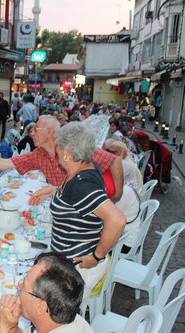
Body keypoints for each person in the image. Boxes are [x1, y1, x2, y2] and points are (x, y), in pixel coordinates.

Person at [49, 122, 126, 307]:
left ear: (67, 151)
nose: (56, 152)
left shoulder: (81, 185)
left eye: (58, 147)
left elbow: (117, 220)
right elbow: (77, 200)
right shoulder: (87, 168)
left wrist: (96, 256)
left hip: (75, 273)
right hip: (69, 264)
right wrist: (54, 190)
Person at [0, 116, 123, 203]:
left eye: (37, 129)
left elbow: (114, 160)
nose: (32, 133)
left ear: (51, 132)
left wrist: (117, 195)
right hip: (64, 207)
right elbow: (4, 163)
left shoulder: (74, 145)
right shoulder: (39, 154)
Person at [0, 252, 93, 333]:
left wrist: (1, 327)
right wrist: (11, 325)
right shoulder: (69, 319)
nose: (18, 288)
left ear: (40, 306)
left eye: (23, 286)